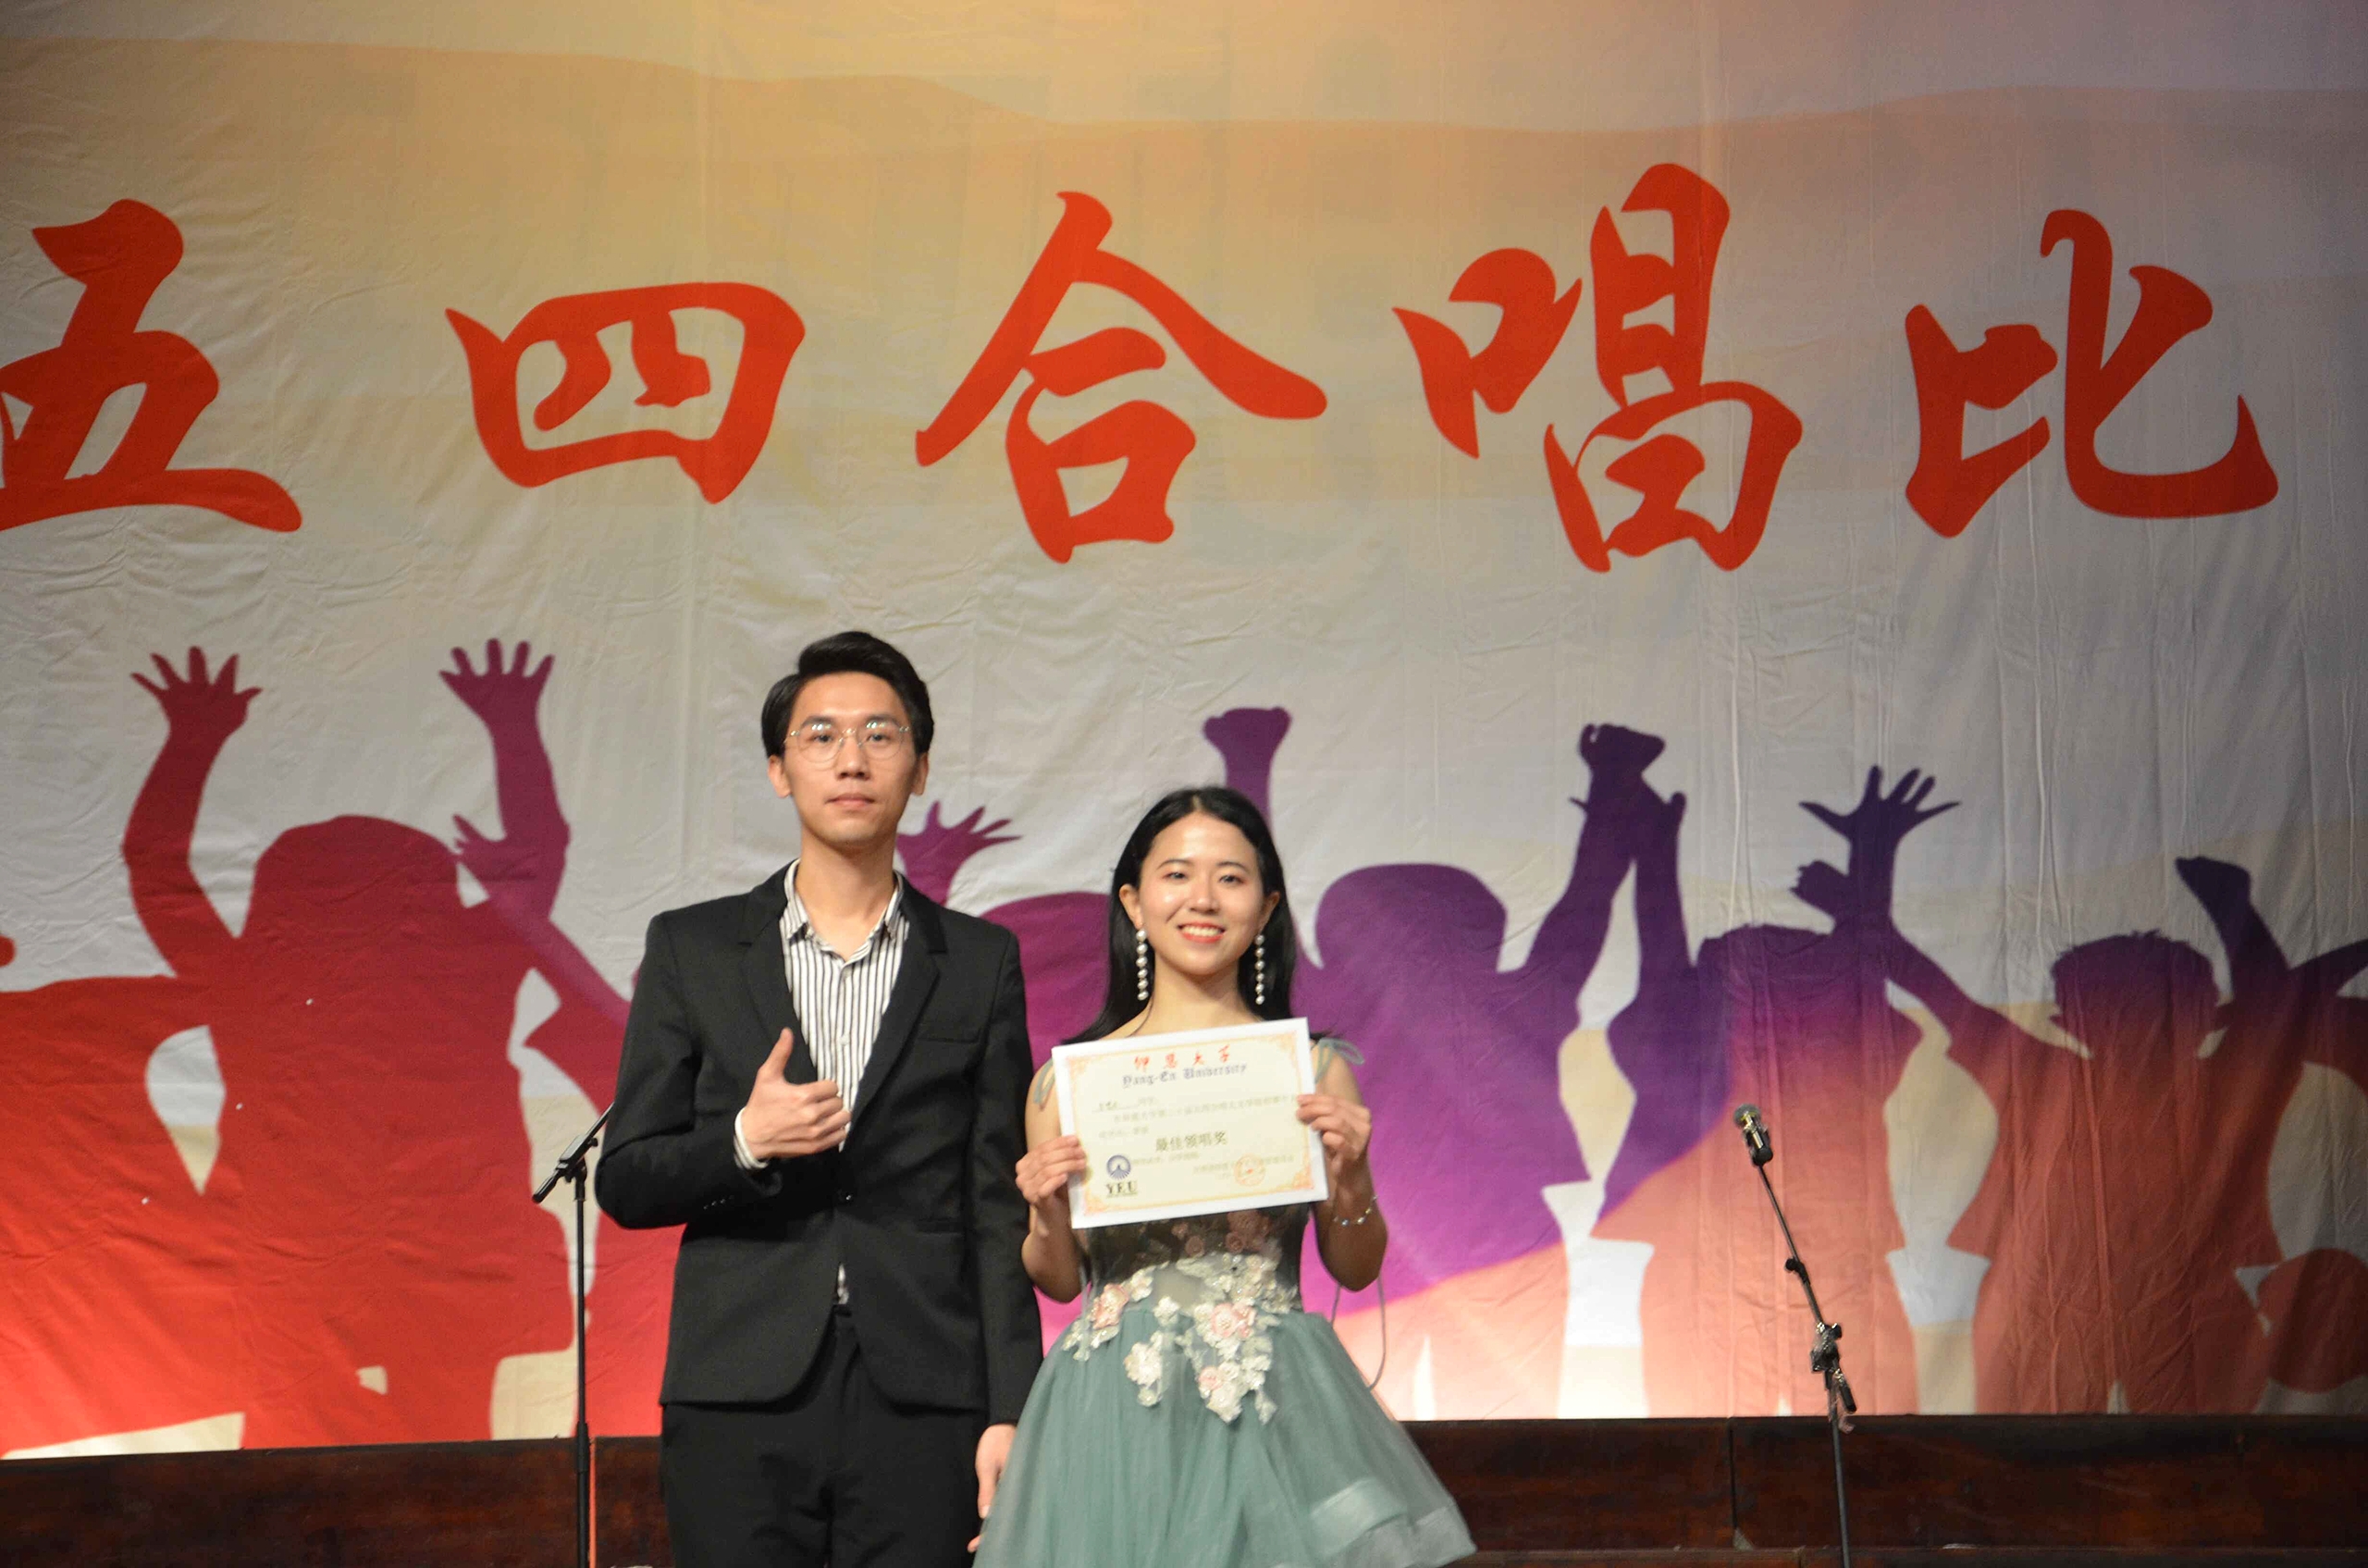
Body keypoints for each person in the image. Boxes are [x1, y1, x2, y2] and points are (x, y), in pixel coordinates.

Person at [596, 631, 1039, 1568]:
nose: (851, 759)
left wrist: (1012, 1407)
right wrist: (744, 1140)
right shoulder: (693, 949)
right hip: (739, 1387)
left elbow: (997, 1205)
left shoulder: (979, 961)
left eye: (881, 734)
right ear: (778, 769)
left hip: (925, 1392)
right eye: (821, 735)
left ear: (920, 768)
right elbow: (627, 1178)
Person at [978, 785, 1474, 1568]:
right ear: (1134, 902)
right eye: (1177, 874)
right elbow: (1061, 1279)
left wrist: (1351, 1177)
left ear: (1266, 906)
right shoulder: (1068, 1085)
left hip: (1271, 1397)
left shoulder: (1312, 1068)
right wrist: (1044, 1212)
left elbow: (1355, 1265)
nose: (1203, 898)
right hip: (1117, 1407)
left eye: (1231, 878)